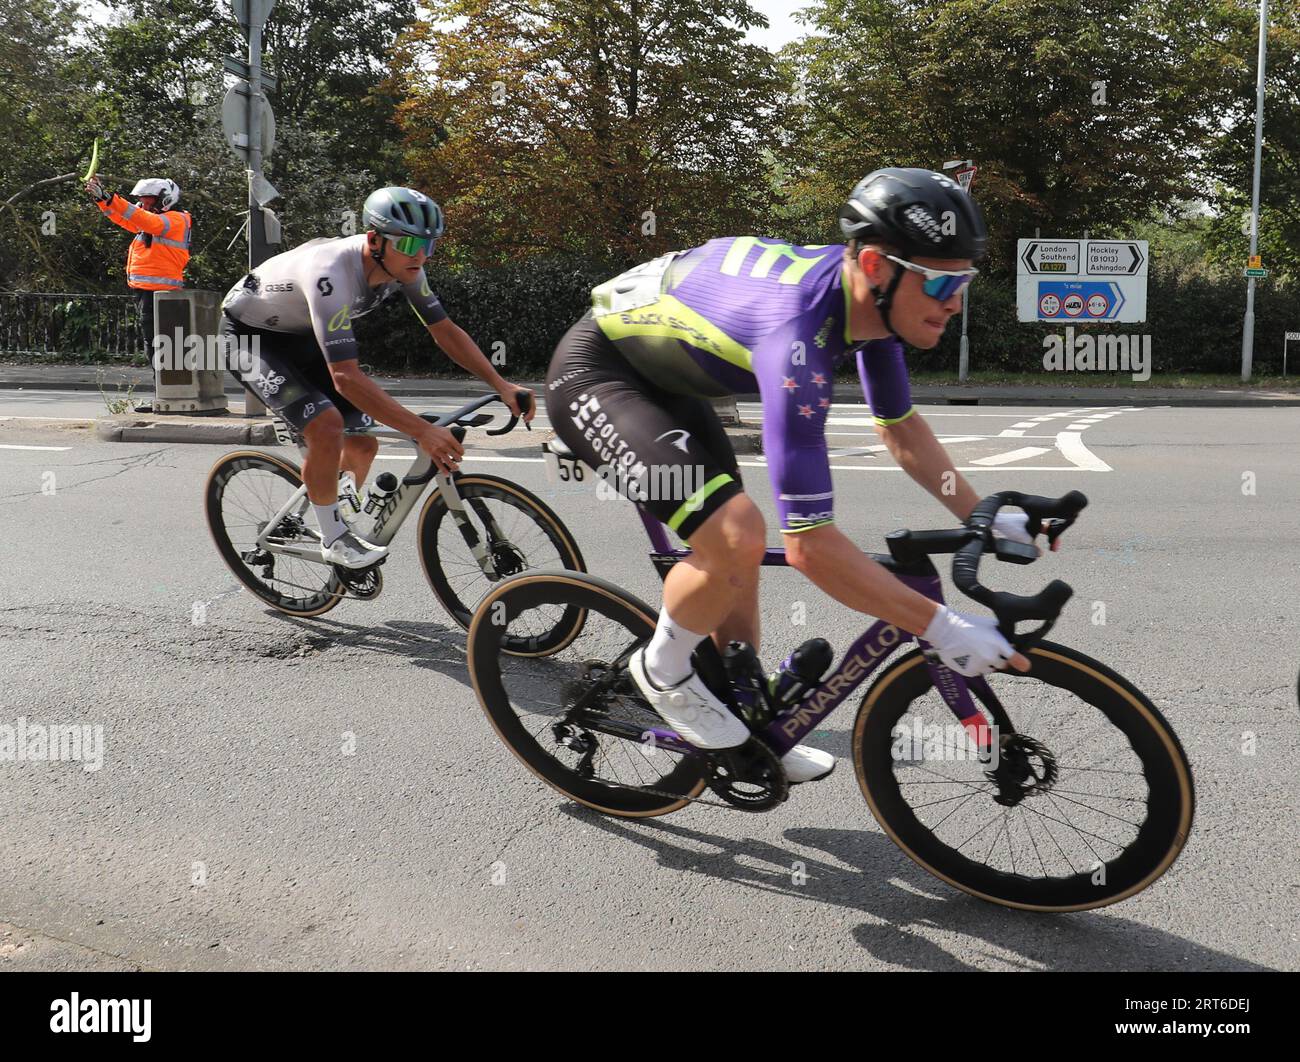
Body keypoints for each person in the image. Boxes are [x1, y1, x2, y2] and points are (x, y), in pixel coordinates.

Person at [544, 167, 1050, 785]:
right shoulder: (798, 337)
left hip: (674, 383)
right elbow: (812, 547)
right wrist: (941, 626)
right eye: (942, 280)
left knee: (738, 550)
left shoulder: (875, 308)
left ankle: (745, 714)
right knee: (735, 533)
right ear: (873, 265)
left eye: (965, 280)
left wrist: (979, 514)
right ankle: (664, 666)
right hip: (600, 374)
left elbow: (900, 428)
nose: (955, 300)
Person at [219, 185, 534, 568]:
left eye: (429, 245)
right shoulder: (330, 274)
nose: (420, 255)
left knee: (363, 446)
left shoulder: (406, 267)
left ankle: (322, 505)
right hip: (251, 338)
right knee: (326, 425)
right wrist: (421, 430)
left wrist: (502, 385)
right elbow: (346, 378)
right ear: (374, 240)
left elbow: (444, 330)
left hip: (301, 338)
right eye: (411, 244)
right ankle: (333, 538)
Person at [85, 176, 191, 365]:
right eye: (142, 198)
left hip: (160, 291)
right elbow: (124, 218)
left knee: (160, 344)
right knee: (154, 343)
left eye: (148, 198)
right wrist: (103, 200)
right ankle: (163, 387)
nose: (143, 202)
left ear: (165, 198)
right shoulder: (155, 220)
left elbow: (143, 220)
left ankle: (166, 388)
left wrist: (111, 199)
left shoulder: (176, 219)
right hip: (148, 290)